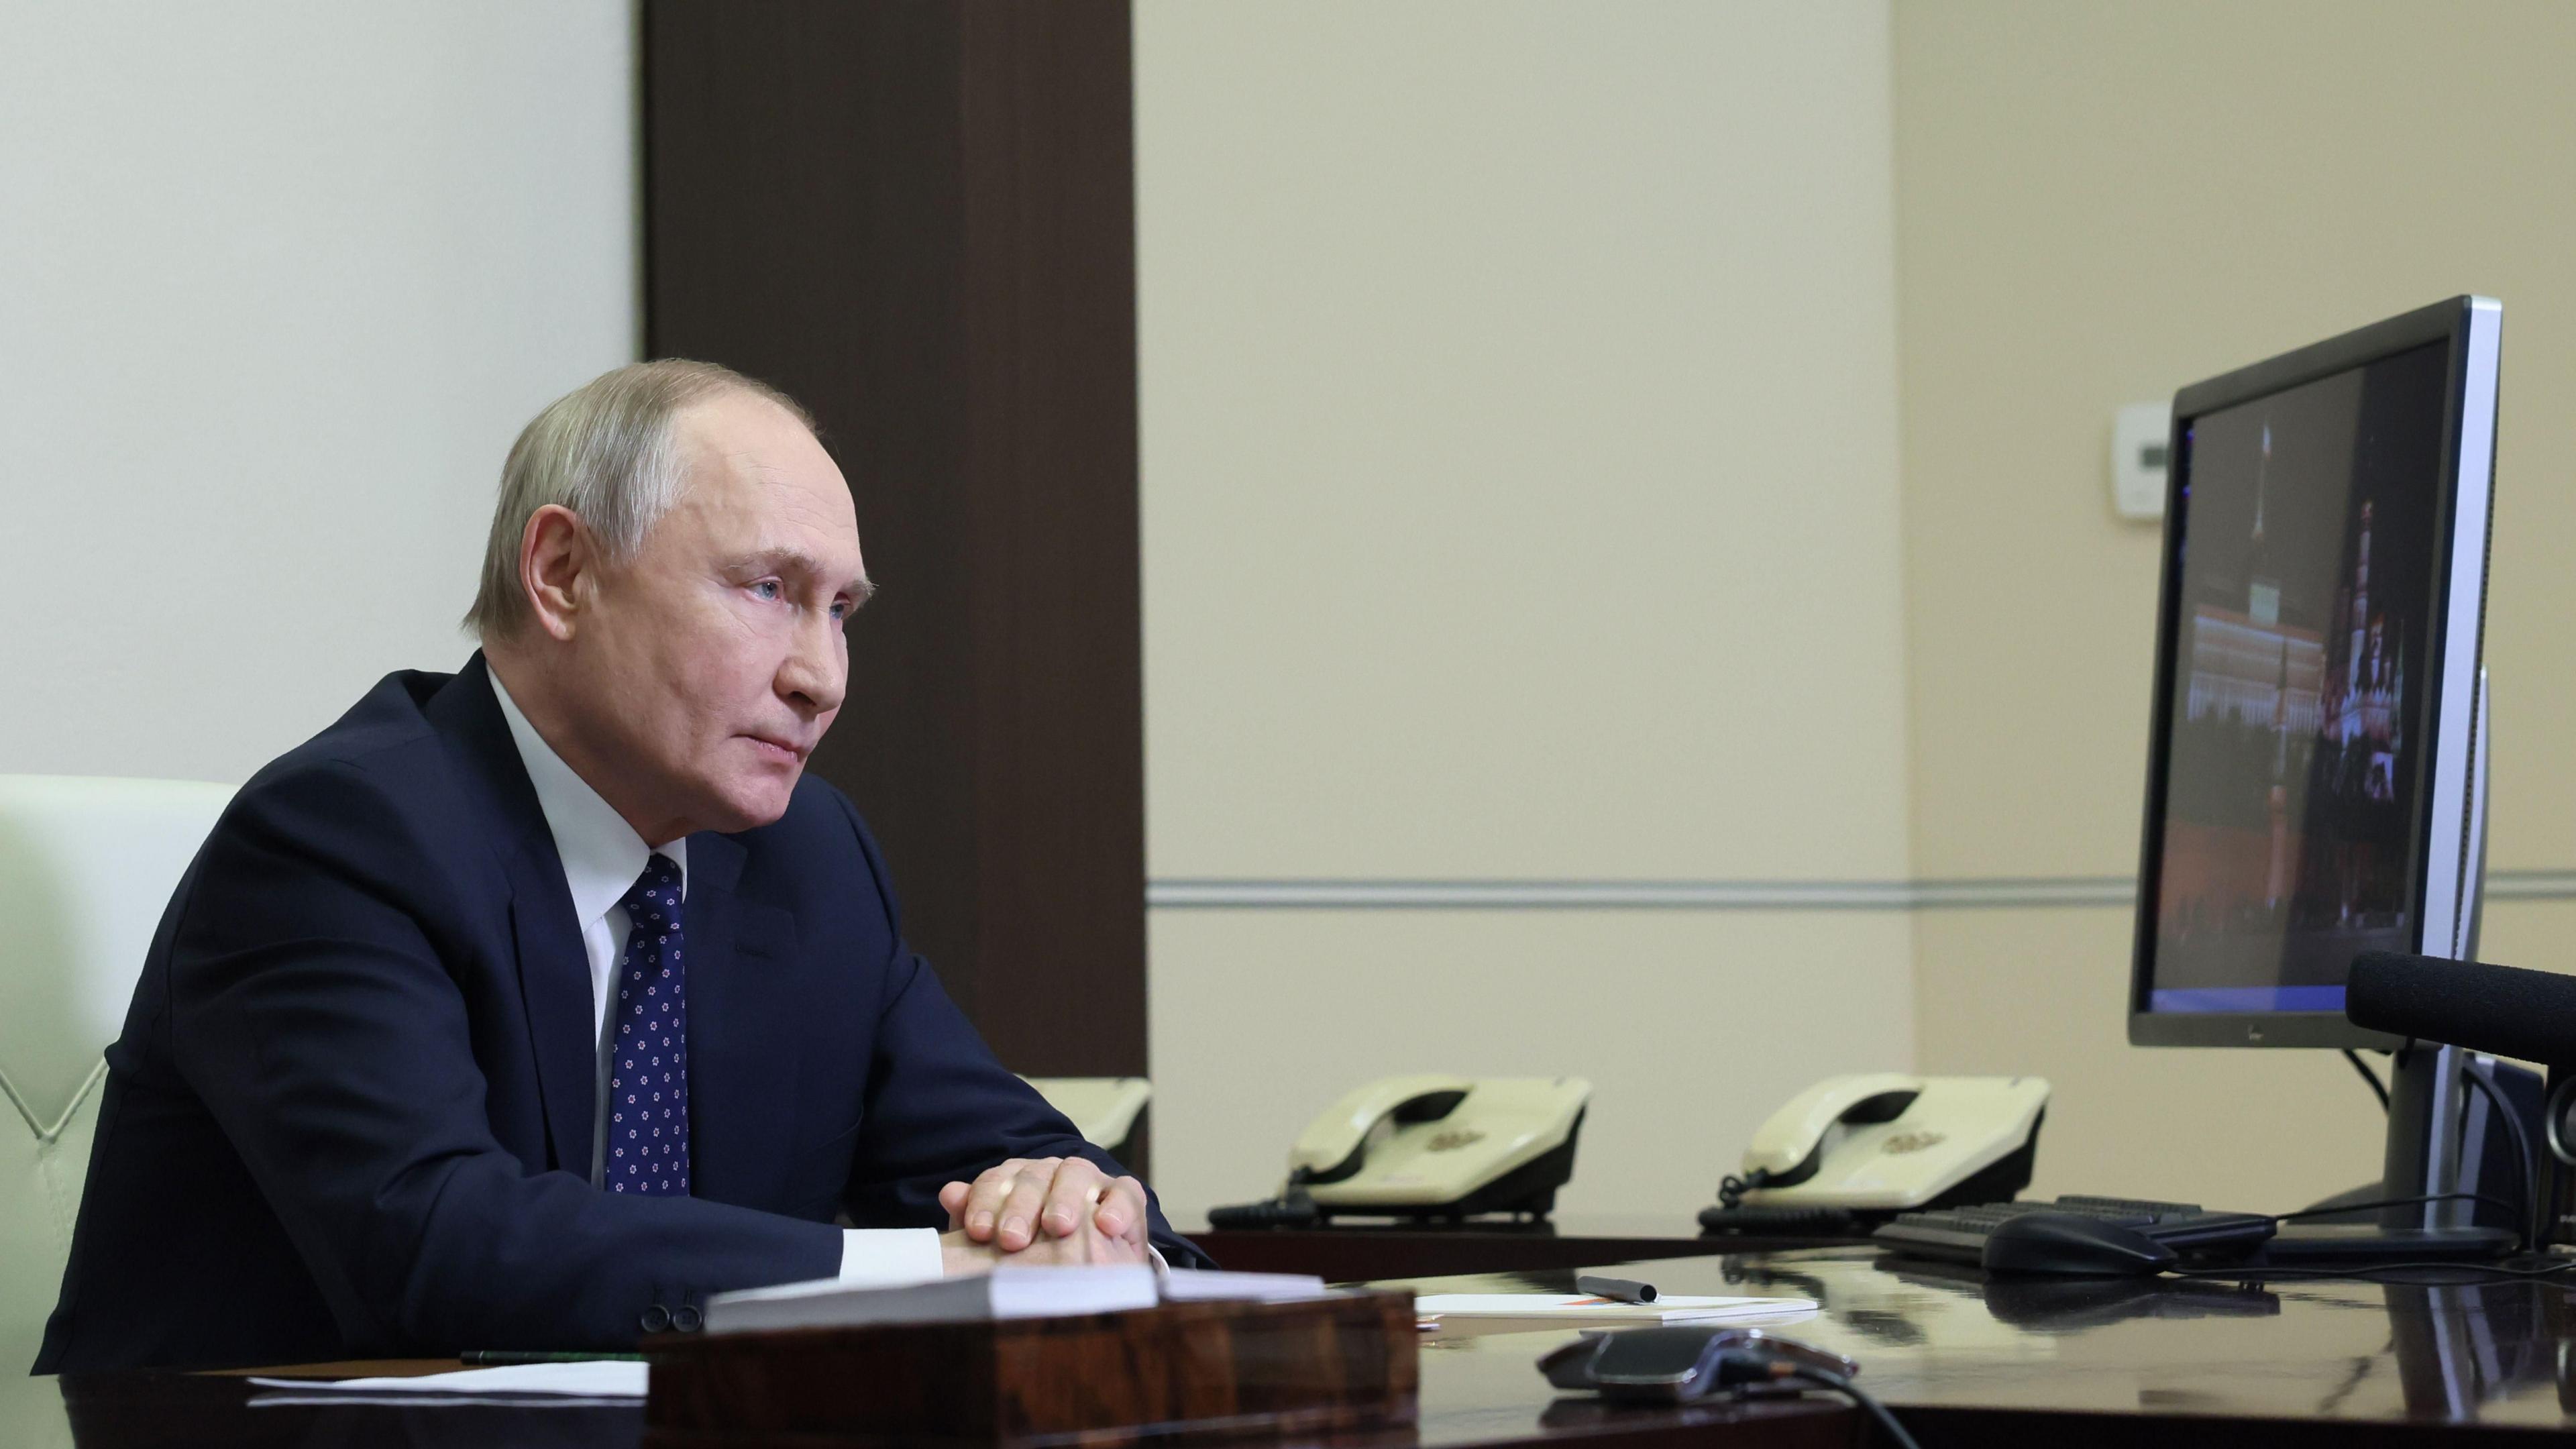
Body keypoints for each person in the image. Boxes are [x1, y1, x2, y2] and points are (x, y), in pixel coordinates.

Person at [36, 361, 1205, 1373]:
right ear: (561, 574)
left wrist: (1084, 1218)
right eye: (769, 590)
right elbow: (439, 1243)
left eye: (841, 611)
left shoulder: (805, 859)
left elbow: (995, 1153)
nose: (824, 676)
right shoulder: (344, 835)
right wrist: (931, 1271)